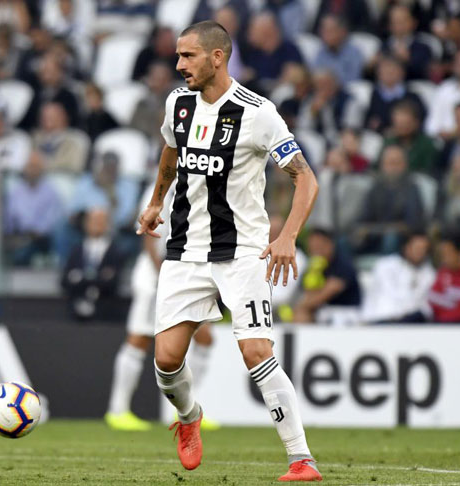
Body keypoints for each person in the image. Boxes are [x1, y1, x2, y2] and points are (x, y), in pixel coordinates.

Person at [136, 21, 321, 481]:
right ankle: (189, 417)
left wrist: (288, 235)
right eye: (178, 56)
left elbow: (305, 177)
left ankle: (301, 458)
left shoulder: (257, 113)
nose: (179, 66)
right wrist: (157, 201)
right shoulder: (178, 103)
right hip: (185, 250)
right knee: (165, 360)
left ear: (217, 57)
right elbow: (171, 150)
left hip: (242, 253)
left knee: (256, 350)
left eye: (188, 56)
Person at [105, 181, 218, 432]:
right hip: (157, 273)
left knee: (205, 338)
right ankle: (118, 409)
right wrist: (161, 274)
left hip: (188, 270)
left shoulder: (201, 177)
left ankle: (187, 410)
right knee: (140, 338)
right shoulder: (165, 184)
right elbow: (147, 232)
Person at [61, 207, 123, 321]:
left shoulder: (115, 251)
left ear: (108, 224)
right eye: (93, 220)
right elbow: (65, 281)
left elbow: (113, 283)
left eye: (101, 221)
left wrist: (80, 278)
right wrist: (99, 278)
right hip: (74, 314)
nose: (97, 224)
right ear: (85, 223)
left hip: (106, 316)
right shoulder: (76, 249)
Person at [361, 232, 436, 323]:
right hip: (379, 320)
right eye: (417, 248)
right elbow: (391, 297)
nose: (420, 252)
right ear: (406, 247)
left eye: (424, 249)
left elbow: (425, 306)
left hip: (408, 323)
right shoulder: (386, 265)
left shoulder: (429, 273)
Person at [293, 228, 361, 323]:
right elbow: (307, 294)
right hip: (324, 311)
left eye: (319, 247)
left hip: (345, 312)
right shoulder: (313, 266)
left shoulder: (342, 264)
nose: (316, 251)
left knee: (302, 311)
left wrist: (300, 306)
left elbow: (325, 294)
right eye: (313, 248)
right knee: (302, 314)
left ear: (330, 244)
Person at [429, 230, 460, 322]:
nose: (444, 259)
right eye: (443, 254)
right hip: (444, 327)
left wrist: (453, 294)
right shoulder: (444, 273)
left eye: (448, 253)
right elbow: (432, 298)